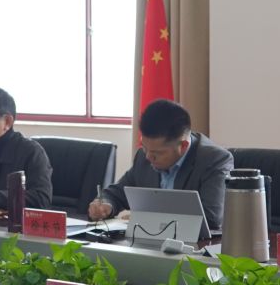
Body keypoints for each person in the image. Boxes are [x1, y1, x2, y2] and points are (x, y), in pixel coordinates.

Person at [90, 98, 235, 232]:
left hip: (195, 247)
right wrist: (105, 204)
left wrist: (145, 218)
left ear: (183, 146)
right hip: (148, 243)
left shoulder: (214, 160)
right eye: (145, 147)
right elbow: (117, 193)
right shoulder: (143, 157)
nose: (148, 156)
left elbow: (211, 218)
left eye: (157, 153)